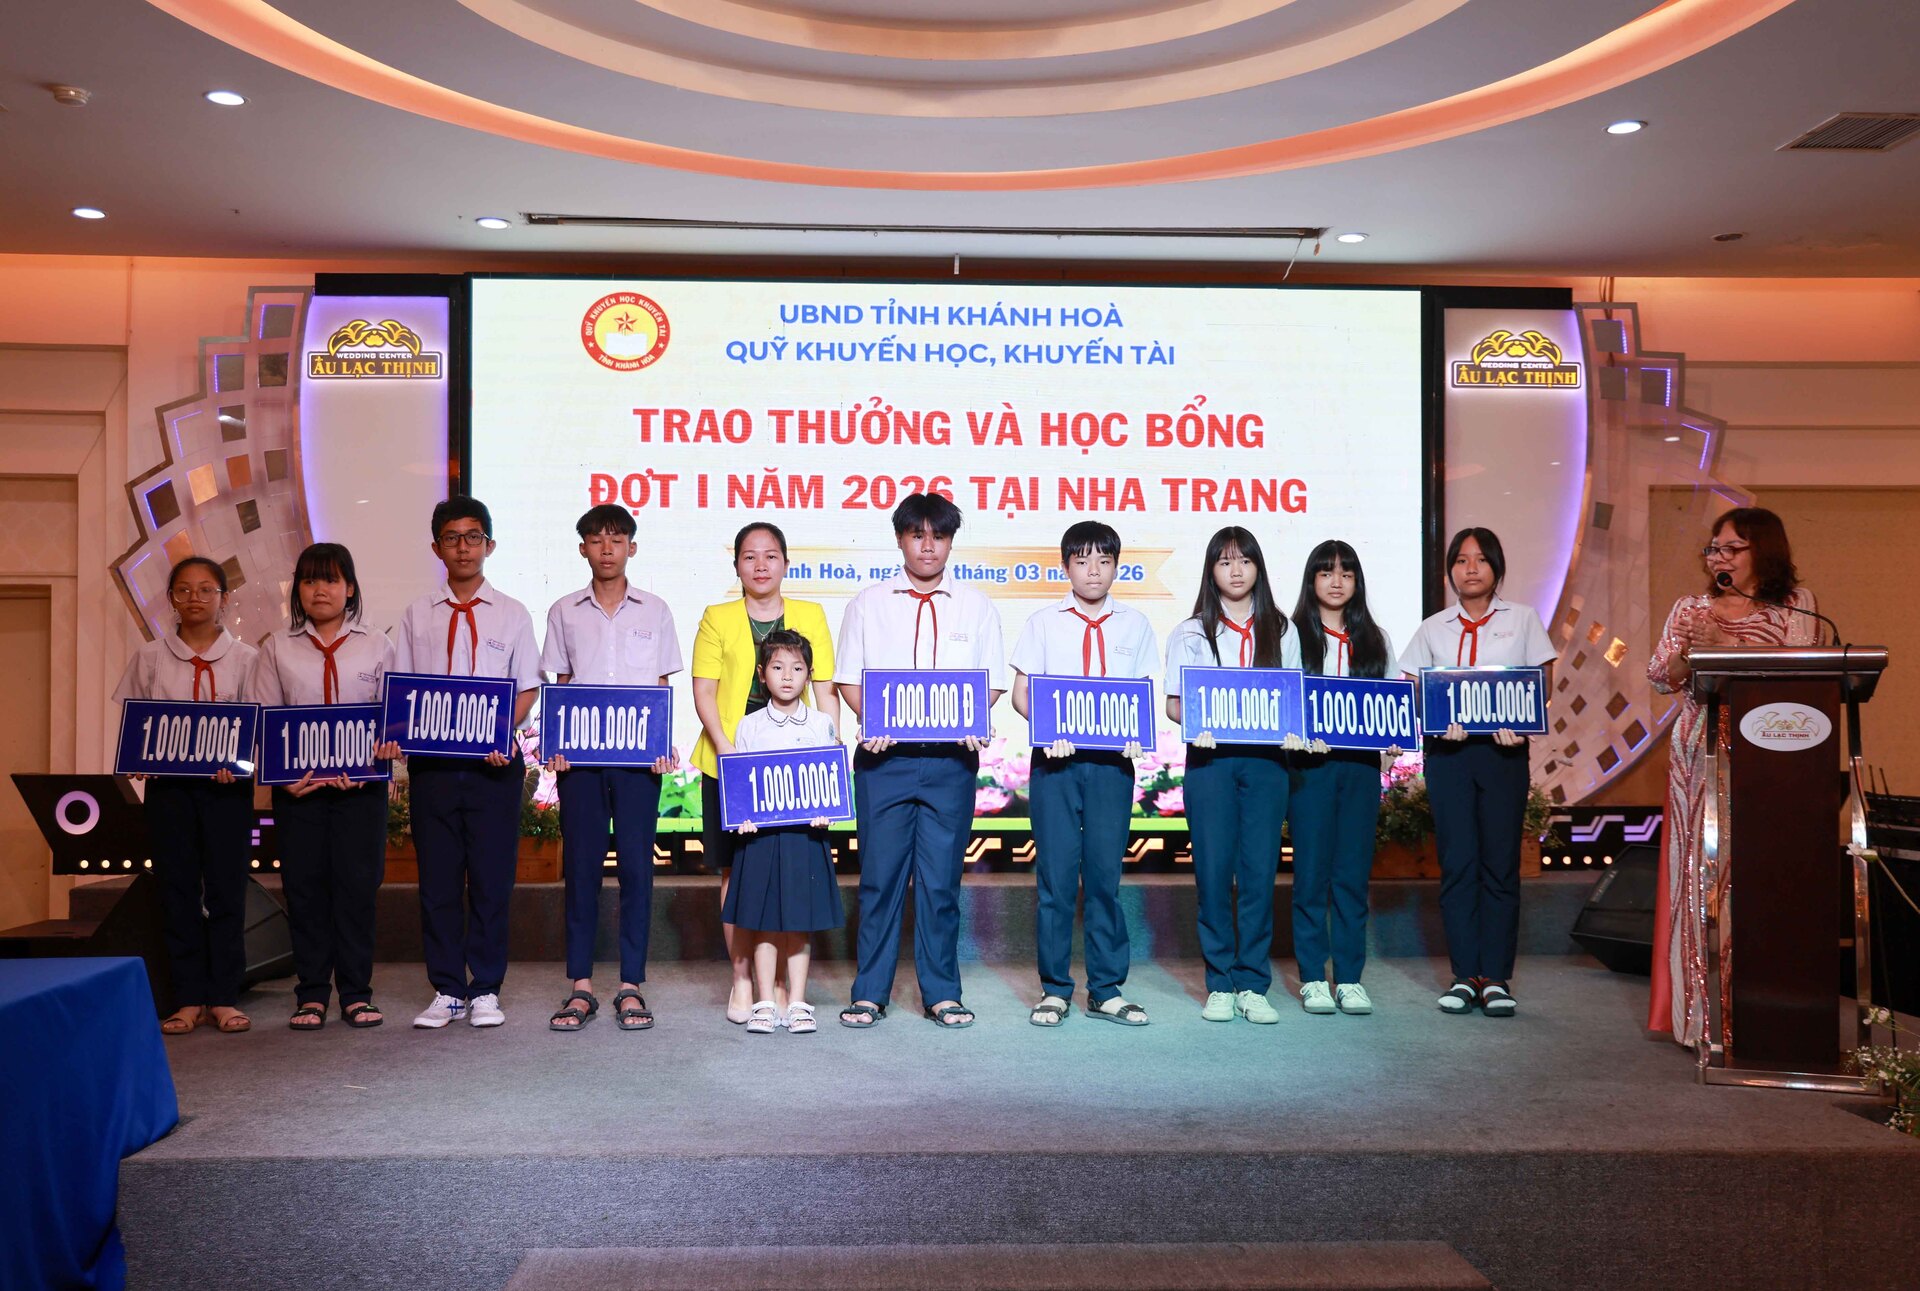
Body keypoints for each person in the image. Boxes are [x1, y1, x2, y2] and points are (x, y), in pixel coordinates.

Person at [1646, 506, 1820, 1047]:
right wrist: (1690, 648)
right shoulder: (1690, 608)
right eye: (1713, 549)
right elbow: (1661, 677)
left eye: (1731, 548)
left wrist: (1723, 644)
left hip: (1771, 754)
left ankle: (1762, 1010)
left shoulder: (1795, 606)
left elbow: (1802, 672)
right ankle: (1700, 1020)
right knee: (1700, 878)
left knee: (1758, 877)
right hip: (1697, 751)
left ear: (1763, 550)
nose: (1718, 558)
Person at [835, 493, 1006, 1030]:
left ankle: (942, 993)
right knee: (880, 880)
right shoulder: (868, 603)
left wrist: (971, 716)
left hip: (950, 764)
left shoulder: (977, 606)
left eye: (938, 536)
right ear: (900, 540)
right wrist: (875, 720)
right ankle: (869, 993)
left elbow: (991, 683)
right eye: (917, 535)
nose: (927, 546)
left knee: (940, 883)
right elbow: (848, 678)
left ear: (951, 542)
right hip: (884, 762)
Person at [384, 496, 541, 1030]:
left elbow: (527, 688)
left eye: (473, 537)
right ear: (437, 548)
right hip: (434, 768)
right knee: (439, 882)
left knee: (493, 881)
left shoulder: (513, 613)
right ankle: (448, 989)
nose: (463, 547)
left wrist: (500, 731)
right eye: (452, 538)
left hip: (494, 767)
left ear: (489, 545)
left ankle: (486, 989)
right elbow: (403, 689)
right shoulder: (416, 614)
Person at [1397, 527, 1556, 1018]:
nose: (1471, 568)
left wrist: (1521, 724)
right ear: (1450, 570)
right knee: (1458, 863)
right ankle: (1465, 975)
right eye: (1461, 560)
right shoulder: (1433, 627)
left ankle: (1497, 978)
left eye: (1481, 559)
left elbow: (1542, 684)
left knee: (1500, 865)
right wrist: (1433, 719)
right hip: (1448, 757)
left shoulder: (1523, 619)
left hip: (1502, 756)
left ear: (1497, 568)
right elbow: (1411, 688)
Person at [689, 521, 839, 1024]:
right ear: (736, 564)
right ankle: (742, 981)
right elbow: (705, 691)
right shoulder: (717, 617)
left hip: (797, 774)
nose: (760, 565)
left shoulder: (811, 615)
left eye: (770, 555)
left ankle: (780, 986)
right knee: (737, 874)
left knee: (791, 873)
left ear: (786, 563)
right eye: (749, 556)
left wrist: (828, 762)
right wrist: (730, 754)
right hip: (730, 762)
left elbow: (825, 691)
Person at [1010, 521, 1158, 1027]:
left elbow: (1142, 693)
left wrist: (1136, 733)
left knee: (1104, 879)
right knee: (1055, 880)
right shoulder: (1043, 622)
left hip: (1112, 768)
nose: (1093, 571)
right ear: (1065, 566)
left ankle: (1106, 989)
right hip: (1056, 765)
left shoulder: (1136, 624)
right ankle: (1054, 989)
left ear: (1117, 567)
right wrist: (1047, 727)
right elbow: (1022, 693)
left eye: (1103, 561)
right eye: (1081, 561)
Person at [542, 504, 682, 1034]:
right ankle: (580, 985)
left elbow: (662, 687)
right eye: (597, 539)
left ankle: (630, 984)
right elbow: (560, 683)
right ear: (583, 548)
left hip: (638, 764)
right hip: (579, 763)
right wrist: (556, 746)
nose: (607, 548)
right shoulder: (563, 610)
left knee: (636, 872)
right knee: (581, 871)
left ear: (632, 548)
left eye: (617, 539)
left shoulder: (656, 610)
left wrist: (661, 746)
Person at [249, 543, 396, 1030]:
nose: (319, 590)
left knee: (357, 892)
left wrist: (384, 752)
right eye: (309, 580)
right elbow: (263, 720)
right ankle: (311, 995)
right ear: (298, 590)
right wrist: (281, 779)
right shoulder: (277, 647)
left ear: (349, 588)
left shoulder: (378, 644)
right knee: (305, 891)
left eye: (331, 580)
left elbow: (392, 720)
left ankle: (356, 994)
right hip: (300, 795)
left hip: (361, 794)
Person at [113, 556, 260, 1036]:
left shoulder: (248, 659)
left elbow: (256, 734)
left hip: (227, 792)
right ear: (171, 598)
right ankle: (187, 998)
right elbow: (135, 724)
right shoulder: (149, 657)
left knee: (226, 892)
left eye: (206, 589)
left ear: (224, 598)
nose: (195, 598)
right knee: (176, 891)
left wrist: (240, 766)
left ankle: (224, 997)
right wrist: (138, 755)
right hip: (169, 791)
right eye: (184, 589)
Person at [1163, 527, 1301, 1025]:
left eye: (1244, 561)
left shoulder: (1282, 629)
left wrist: (1293, 730)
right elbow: (1174, 705)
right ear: (1211, 571)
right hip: (1211, 765)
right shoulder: (1189, 631)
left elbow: (1294, 698)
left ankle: (1253, 983)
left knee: (1260, 875)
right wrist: (1196, 723)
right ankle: (1220, 982)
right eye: (1224, 562)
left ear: (1259, 567)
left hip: (1266, 766)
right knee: (1214, 874)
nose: (1236, 570)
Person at [1287, 539, 1397, 1017]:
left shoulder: (1376, 638)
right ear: (1311, 580)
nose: (1337, 582)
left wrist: (1392, 740)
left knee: (1351, 875)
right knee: (1311, 875)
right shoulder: (1291, 635)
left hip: (1360, 770)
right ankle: (1313, 977)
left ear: (1357, 582)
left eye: (1346, 573)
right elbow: (1280, 698)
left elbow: (1392, 701)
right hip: (1309, 770)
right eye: (1327, 572)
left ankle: (1350, 979)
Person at [724, 630, 844, 1035]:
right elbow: (742, 785)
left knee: (798, 921)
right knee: (763, 921)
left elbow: (829, 782)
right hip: (760, 839)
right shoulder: (749, 725)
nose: (787, 676)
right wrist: (742, 816)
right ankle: (763, 1003)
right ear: (762, 674)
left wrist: (827, 813)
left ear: (809, 674)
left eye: (797, 668)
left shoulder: (822, 724)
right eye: (777, 667)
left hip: (804, 838)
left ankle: (797, 1003)